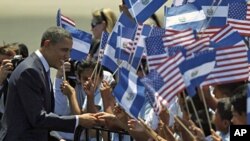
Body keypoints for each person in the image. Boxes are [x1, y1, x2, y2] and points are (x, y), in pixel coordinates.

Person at [0, 26, 98, 141]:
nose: (67, 56)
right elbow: (38, 118)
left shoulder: (40, 68)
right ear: (47, 44)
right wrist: (78, 120)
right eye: (64, 50)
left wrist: (57, 138)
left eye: (69, 51)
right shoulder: (30, 71)